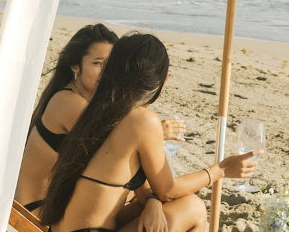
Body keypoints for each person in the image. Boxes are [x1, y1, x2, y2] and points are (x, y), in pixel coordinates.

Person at [40, 32, 260, 232]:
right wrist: (220, 170)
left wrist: (153, 202)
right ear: (162, 81)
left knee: (179, 206)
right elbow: (168, 189)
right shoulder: (142, 120)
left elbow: (140, 186)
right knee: (193, 209)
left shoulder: (101, 108)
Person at [15, 23, 183, 214]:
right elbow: (117, 151)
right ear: (75, 67)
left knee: (163, 207)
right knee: (176, 207)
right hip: (39, 213)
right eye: (97, 63)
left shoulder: (88, 103)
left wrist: (151, 199)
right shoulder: (69, 102)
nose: (105, 72)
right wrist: (155, 133)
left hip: (60, 207)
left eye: (109, 64)